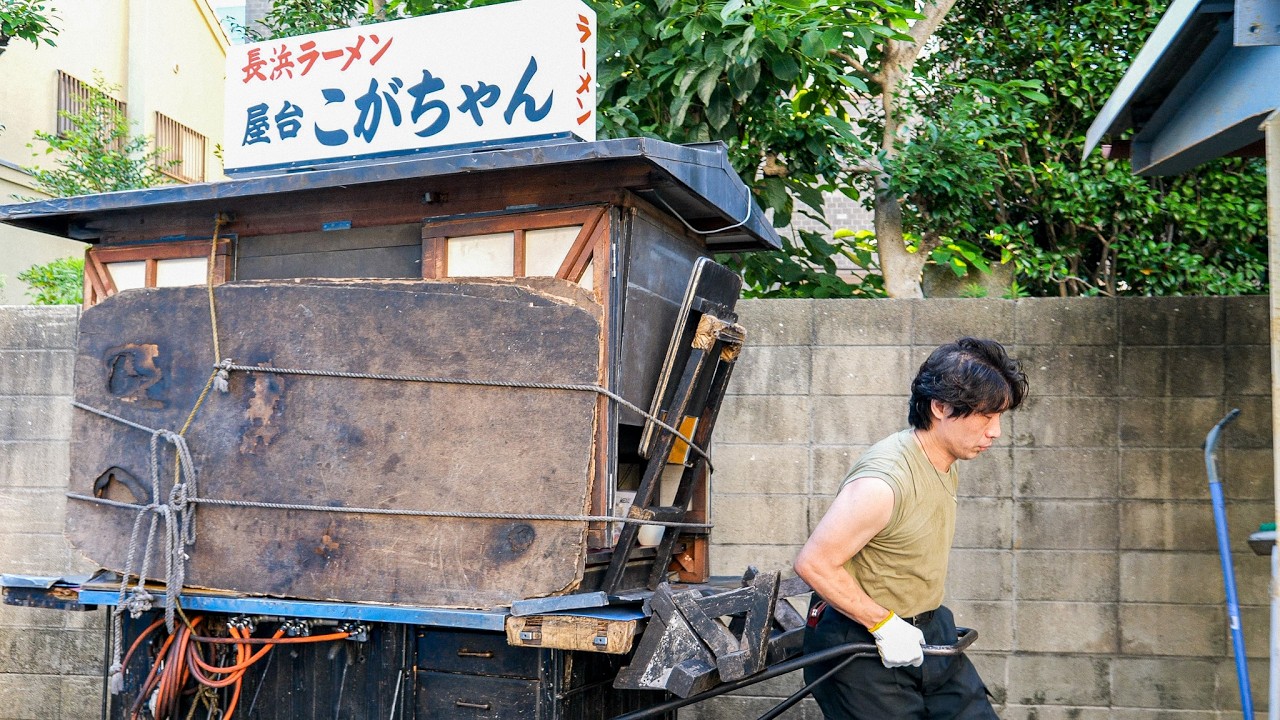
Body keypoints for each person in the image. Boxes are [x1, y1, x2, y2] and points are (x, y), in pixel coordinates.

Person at [793, 337, 1027, 719]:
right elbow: (814, 564)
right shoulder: (883, 482)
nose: (996, 431)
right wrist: (884, 625)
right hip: (860, 643)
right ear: (940, 406)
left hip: (928, 630)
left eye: (999, 417)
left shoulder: (943, 459)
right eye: (986, 416)